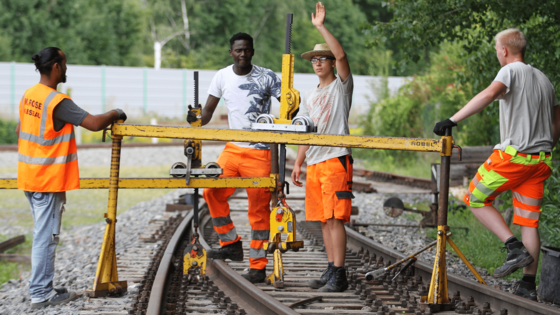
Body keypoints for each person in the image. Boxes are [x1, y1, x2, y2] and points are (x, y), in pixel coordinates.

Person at [433, 28, 560, 301]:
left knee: (474, 197)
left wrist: (452, 120)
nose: (496, 54)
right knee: (529, 223)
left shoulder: (510, 72)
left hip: (513, 158)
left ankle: (513, 247)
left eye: (496, 50)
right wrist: (547, 145)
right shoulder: (544, 79)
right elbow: (556, 121)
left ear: (504, 50)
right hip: (540, 162)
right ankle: (528, 284)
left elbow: (490, 94)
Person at [16, 47, 127, 309]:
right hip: (47, 180)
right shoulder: (57, 101)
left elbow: (22, 129)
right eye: (64, 64)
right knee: (46, 237)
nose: (67, 69)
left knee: (43, 234)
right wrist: (115, 113)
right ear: (55, 67)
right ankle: (41, 294)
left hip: (30, 177)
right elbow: (94, 123)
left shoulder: (28, 95)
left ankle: (43, 286)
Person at [187, 33, 281, 283]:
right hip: (232, 149)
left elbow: (290, 105)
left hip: (261, 151)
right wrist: (195, 118)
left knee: (259, 210)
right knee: (211, 191)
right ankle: (231, 243)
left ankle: (258, 266)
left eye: (247, 50)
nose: (243, 54)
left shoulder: (268, 76)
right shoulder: (222, 76)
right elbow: (207, 113)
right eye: (238, 50)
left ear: (253, 51)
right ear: (231, 52)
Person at [290, 2, 354, 293]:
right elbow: (307, 130)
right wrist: (298, 162)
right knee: (322, 221)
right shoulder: (311, 94)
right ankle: (331, 268)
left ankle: (340, 274)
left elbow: (341, 54)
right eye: (314, 59)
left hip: (335, 159)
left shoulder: (340, 87)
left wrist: (319, 27)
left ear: (330, 63)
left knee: (335, 217)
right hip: (315, 161)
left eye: (322, 58)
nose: (317, 62)